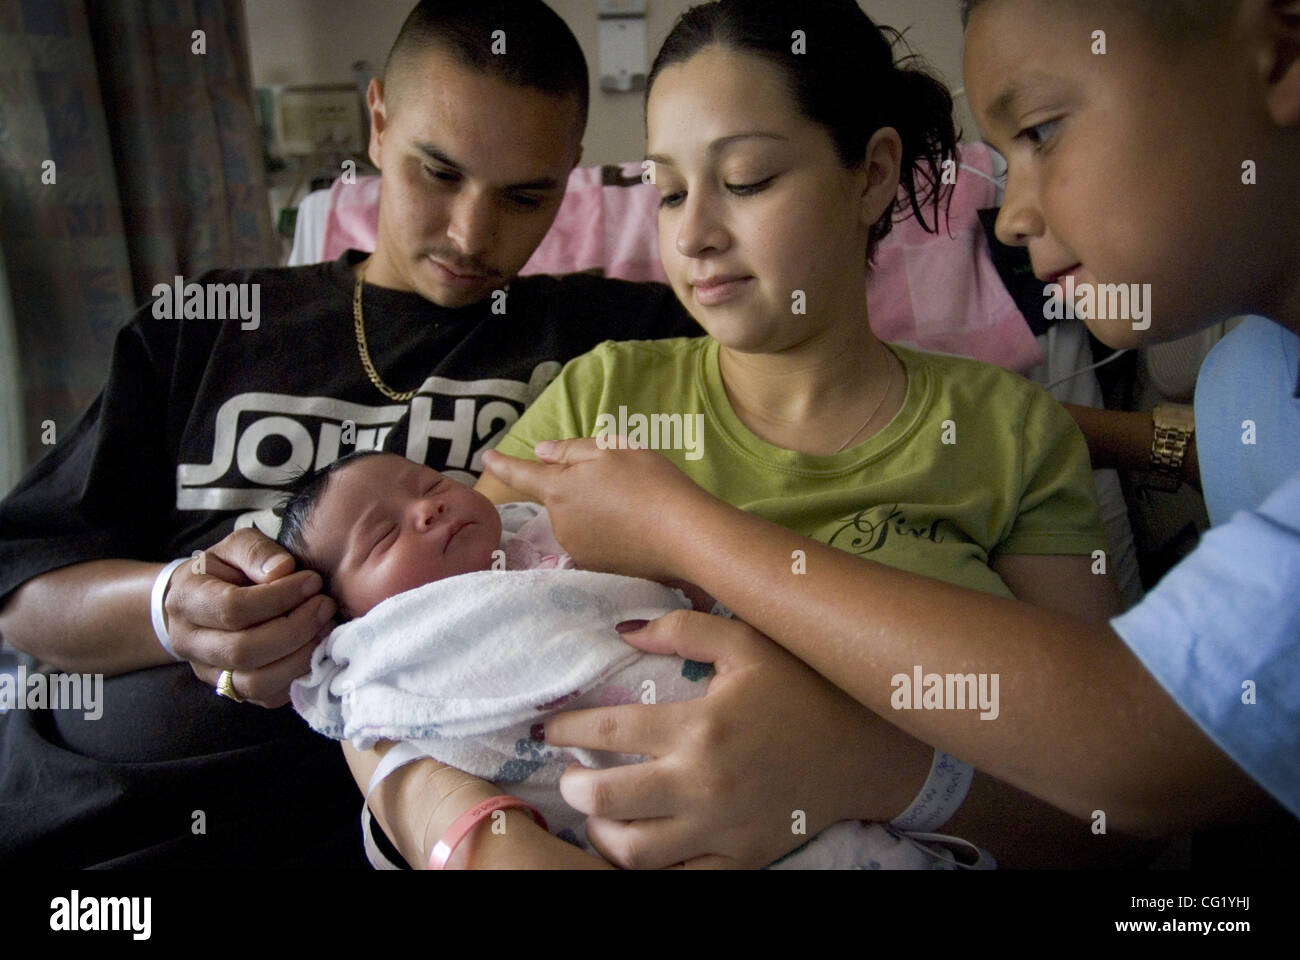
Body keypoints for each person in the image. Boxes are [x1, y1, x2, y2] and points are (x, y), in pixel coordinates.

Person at [467, 0, 1300, 865]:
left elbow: (1112, 811)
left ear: (871, 176)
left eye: (747, 179)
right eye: (669, 191)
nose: (694, 233)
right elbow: (416, 634)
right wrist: (464, 833)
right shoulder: (604, 397)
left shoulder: (1008, 430)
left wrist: (868, 767)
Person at [0, 0, 698, 868]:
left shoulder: (622, 342)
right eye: (437, 173)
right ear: (377, 122)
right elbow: (29, 597)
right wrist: (172, 610)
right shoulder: (210, 326)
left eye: (526, 195)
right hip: (115, 824)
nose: (472, 234)